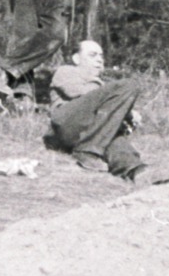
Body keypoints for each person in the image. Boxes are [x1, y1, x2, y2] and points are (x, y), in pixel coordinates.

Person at [45, 39, 146, 179]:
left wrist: (123, 113)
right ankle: (87, 151)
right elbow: (79, 92)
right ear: (76, 58)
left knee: (115, 140)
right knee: (129, 85)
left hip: (89, 132)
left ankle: (136, 172)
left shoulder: (102, 87)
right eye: (93, 55)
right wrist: (127, 112)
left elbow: (104, 106)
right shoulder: (66, 71)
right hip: (66, 125)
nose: (99, 60)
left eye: (101, 56)